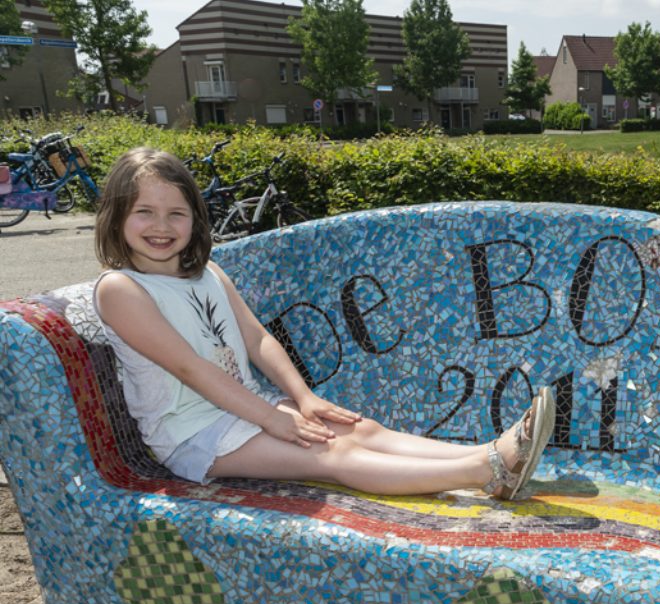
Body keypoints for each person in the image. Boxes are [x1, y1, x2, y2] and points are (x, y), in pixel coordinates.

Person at [92, 147, 554, 499]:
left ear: (195, 219)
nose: (162, 226)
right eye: (144, 213)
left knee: (361, 429)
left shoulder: (208, 272)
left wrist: (303, 398)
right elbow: (192, 369)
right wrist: (271, 419)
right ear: (117, 217)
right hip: (194, 435)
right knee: (333, 454)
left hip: (245, 408)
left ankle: (492, 453)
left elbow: (257, 338)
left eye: (177, 213)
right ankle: (487, 472)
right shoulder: (122, 290)